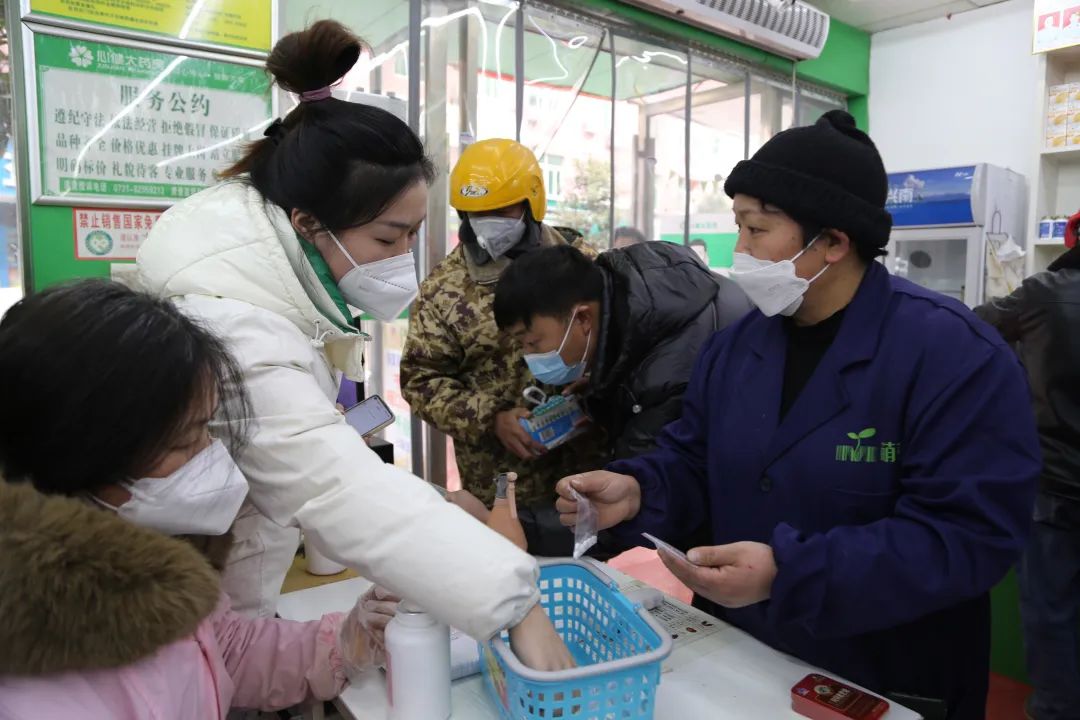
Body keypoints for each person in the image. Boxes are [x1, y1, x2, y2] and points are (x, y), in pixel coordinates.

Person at [555, 110, 1040, 719]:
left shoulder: (954, 358)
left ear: (834, 242)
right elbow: (692, 460)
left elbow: (968, 535)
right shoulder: (735, 349)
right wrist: (637, 490)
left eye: (757, 230)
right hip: (742, 661)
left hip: (887, 677)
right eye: (739, 227)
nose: (741, 250)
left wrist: (793, 572)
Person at [137, 21, 571, 669]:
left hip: (219, 613)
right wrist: (513, 601)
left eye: (413, 235)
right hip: (171, 622)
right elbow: (329, 481)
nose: (403, 260)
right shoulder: (228, 313)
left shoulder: (267, 271)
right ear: (309, 224)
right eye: (389, 238)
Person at [0, 281, 397, 718]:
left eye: (208, 429)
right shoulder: (35, 697)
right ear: (77, 453)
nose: (210, 455)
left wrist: (348, 639)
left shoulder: (150, 565)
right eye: (184, 441)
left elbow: (221, 650)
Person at [400, 138, 607, 516]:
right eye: (474, 214)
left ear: (531, 203)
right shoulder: (445, 289)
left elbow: (616, 337)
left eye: (500, 210)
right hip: (502, 483)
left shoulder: (582, 260)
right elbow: (420, 381)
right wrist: (491, 418)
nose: (486, 225)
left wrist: (597, 391)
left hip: (586, 468)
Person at [975, 241, 1080, 720]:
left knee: (1051, 614)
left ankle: (1056, 710)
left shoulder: (1045, 293)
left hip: (1056, 482)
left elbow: (971, 325)